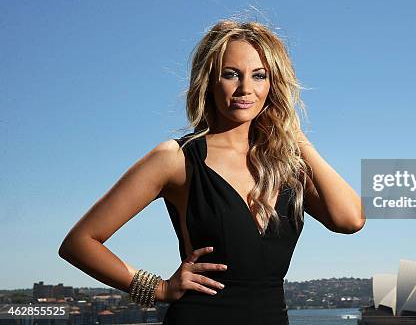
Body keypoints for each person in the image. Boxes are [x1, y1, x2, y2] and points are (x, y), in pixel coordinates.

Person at [58, 19, 366, 324]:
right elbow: (79, 243)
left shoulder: (288, 166)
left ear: (274, 85)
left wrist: (297, 139)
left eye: (259, 76)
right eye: (231, 74)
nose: (245, 88)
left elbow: (350, 220)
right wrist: (158, 288)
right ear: (209, 80)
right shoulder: (176, 158)